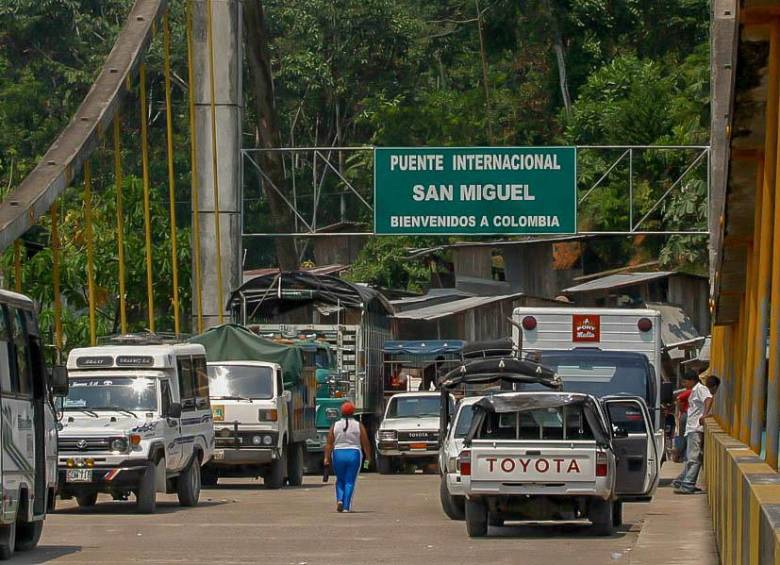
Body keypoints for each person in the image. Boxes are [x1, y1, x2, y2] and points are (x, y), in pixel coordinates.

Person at [674, 374, 720, 494]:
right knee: (693, 458)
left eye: (685, 381)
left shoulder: (700, 389)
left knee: (694, 458)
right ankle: (683, 482)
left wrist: (704, 415)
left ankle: (686, 484)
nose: (684, 384)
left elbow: (708, 399)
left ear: (692, 380)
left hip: (695, 428)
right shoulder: (695, 390)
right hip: (692, 428)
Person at [323, 401, 372, 512]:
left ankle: (339, 499)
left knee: (340, 479)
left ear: (341, 412)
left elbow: (329, 443)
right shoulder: (358, 425)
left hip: (338, 454)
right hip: (354, 454)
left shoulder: (335, 425)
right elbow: (365, 442)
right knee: (350, 481)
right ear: (353, 412)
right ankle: (346, 506)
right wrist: (368, 457)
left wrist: (326, 458)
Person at [673, 373, 697, 462]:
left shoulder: (692, 390)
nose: (684, 384)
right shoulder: (691, 391)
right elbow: (679, 399)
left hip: (686, 415)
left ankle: (679, 455)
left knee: (684, 436)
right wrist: (682, 410)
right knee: (684, 437)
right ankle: (678, 455)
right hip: (686, 415)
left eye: (685, 382)